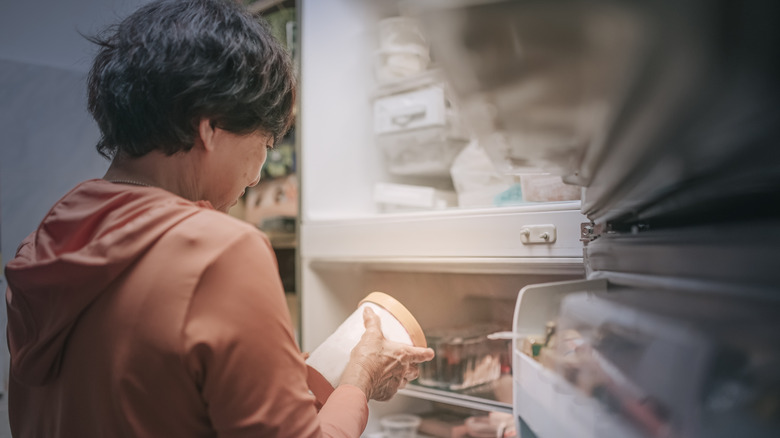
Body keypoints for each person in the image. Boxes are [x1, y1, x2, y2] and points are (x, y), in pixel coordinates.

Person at [3, 0, 435, 437]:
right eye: (265, 144)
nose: (257, 175)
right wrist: (359, 380)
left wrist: (287, 376)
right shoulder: (220, 251)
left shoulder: (44, 244)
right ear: (210, 127)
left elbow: (149, 393)